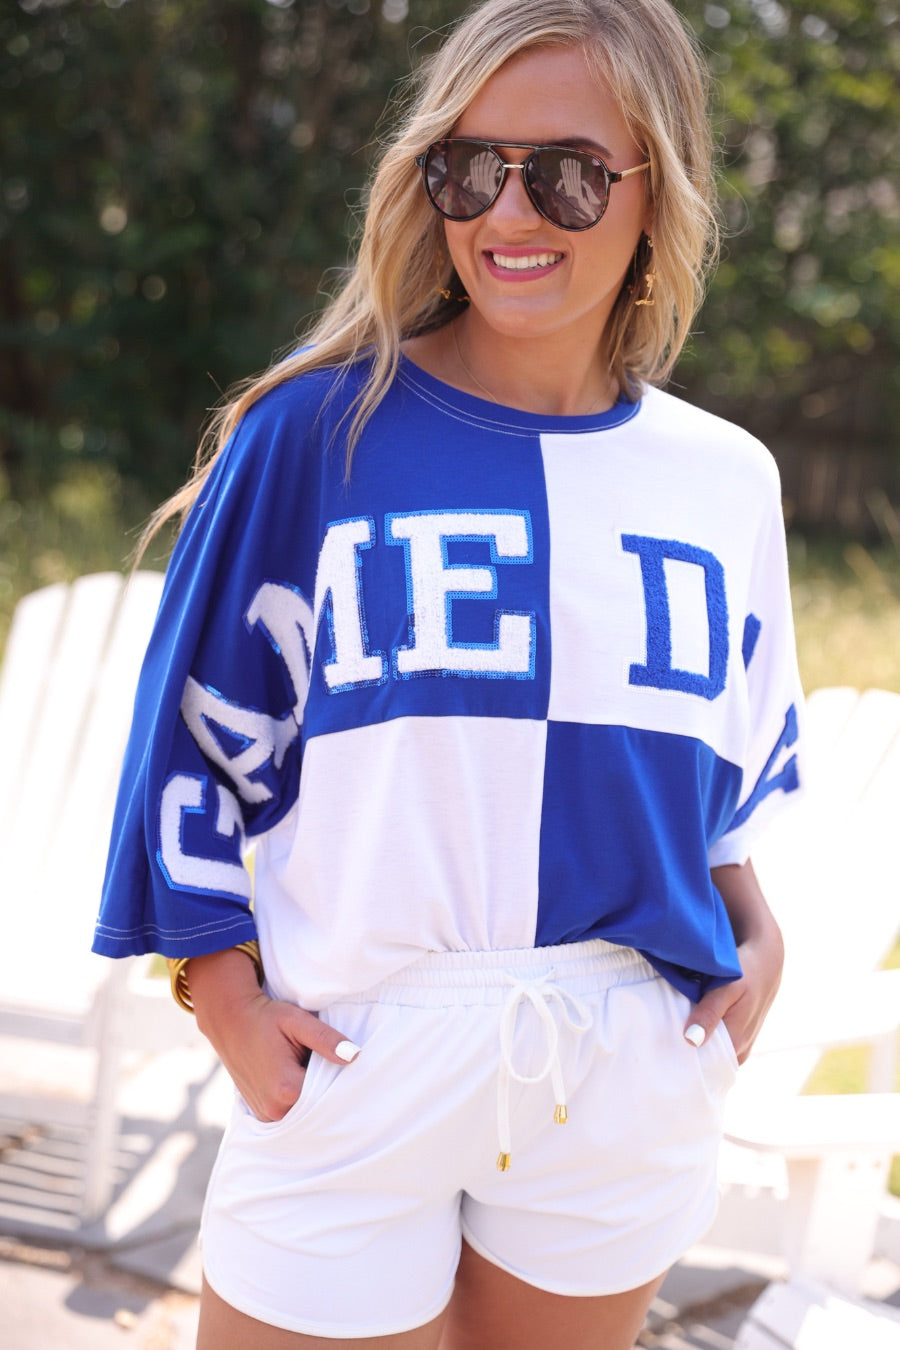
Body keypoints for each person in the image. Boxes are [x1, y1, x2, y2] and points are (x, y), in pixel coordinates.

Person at [93, 1, 804, 1346]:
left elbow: (717, 776)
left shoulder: (728, 481)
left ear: (657, 189)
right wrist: (222, 991)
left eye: (571, 171)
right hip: (359, 1052)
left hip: (621, 1066)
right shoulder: (315, 434)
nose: (510, 210)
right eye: (472, 166)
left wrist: (758, 937)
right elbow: (188, 742)